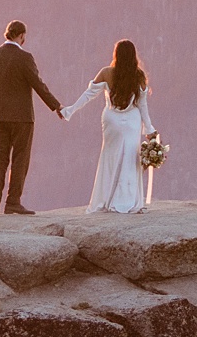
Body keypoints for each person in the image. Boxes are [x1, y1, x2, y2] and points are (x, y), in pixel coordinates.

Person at [0, 19, 66, 215]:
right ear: (21, 36)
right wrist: (56, 106)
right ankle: (13, 202)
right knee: (20, 158)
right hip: (22, 118)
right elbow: (38, 85)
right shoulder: (25, 58)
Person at [64, 38, 158, 214]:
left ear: (116, 54)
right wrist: (149, 129)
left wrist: (70, 110)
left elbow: (88, 95)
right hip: (132, 121)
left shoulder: (106, 73)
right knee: (130, 159)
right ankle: (128, 200)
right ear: (133, 56)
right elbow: (143, 105)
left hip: (111, 120)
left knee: (109, 157)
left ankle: (107, 198)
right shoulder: (138, 75)